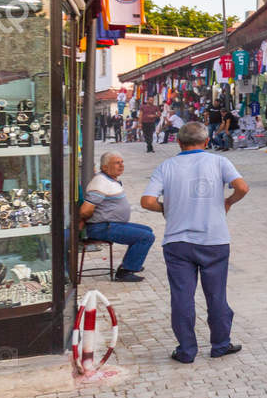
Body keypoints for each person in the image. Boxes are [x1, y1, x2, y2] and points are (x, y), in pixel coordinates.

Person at [140, 121, 248, 363]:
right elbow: (242, 187)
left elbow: (146, 201)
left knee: (182, 296)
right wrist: (228, 202)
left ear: (178, 142)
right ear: (207, 141)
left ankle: (187, 350)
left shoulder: (166, 166)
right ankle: (220, 344)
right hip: (214, 239)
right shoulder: (219, 162)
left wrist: (168, 208)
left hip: (177, 241)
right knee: (216, 295)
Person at [80, 151, 155, 283]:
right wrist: (86, 223)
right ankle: (125, 271)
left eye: (122, 162)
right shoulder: (100, 182)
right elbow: (85, 210)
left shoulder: (111, 179)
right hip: (102, 227)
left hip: (112, 224)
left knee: (148, 230)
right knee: (146, 237)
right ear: (104, 167)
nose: (121, 166)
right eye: (116, 163)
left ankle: (133, 262)